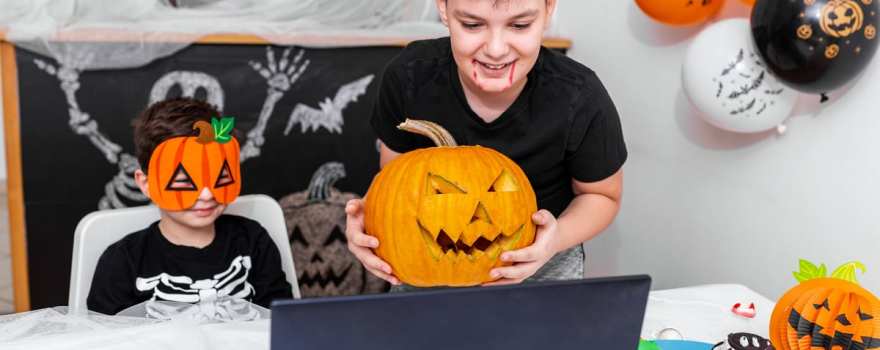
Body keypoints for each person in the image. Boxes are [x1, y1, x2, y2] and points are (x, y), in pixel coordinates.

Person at [345, 0, 626, 288]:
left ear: (548, 9)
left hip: (543, 266)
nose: (496, 49)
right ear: (443, 9)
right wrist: (368, 221)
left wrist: (555, 239)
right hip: (423, 267)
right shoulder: (408, 77)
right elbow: (394, 185)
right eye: (472, 24)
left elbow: (602, 196)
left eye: (519, 25)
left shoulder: (578, 95)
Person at [87, 97, 292, 315]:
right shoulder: (122, 261)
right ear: (146, 184)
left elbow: (284, 324)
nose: (206, 195)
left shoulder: (253, 241)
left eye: (218, 177)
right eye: (185, 182)